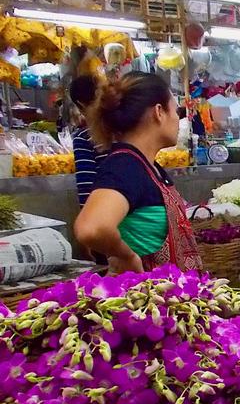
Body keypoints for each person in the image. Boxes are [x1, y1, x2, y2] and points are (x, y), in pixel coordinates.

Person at [74, 73, 201, 274]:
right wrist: (127, 256)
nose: (178, 119)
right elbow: (91, 228)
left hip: (170, 300)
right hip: (147, 299)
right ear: (158, 112)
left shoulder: (147, 166)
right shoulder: (125, 166)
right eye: (175, 111)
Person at [70, 75, 109, 208]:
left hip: (108, 214)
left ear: (80, 105)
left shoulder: (84, 138)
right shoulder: (126, 129)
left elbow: (87, 193)